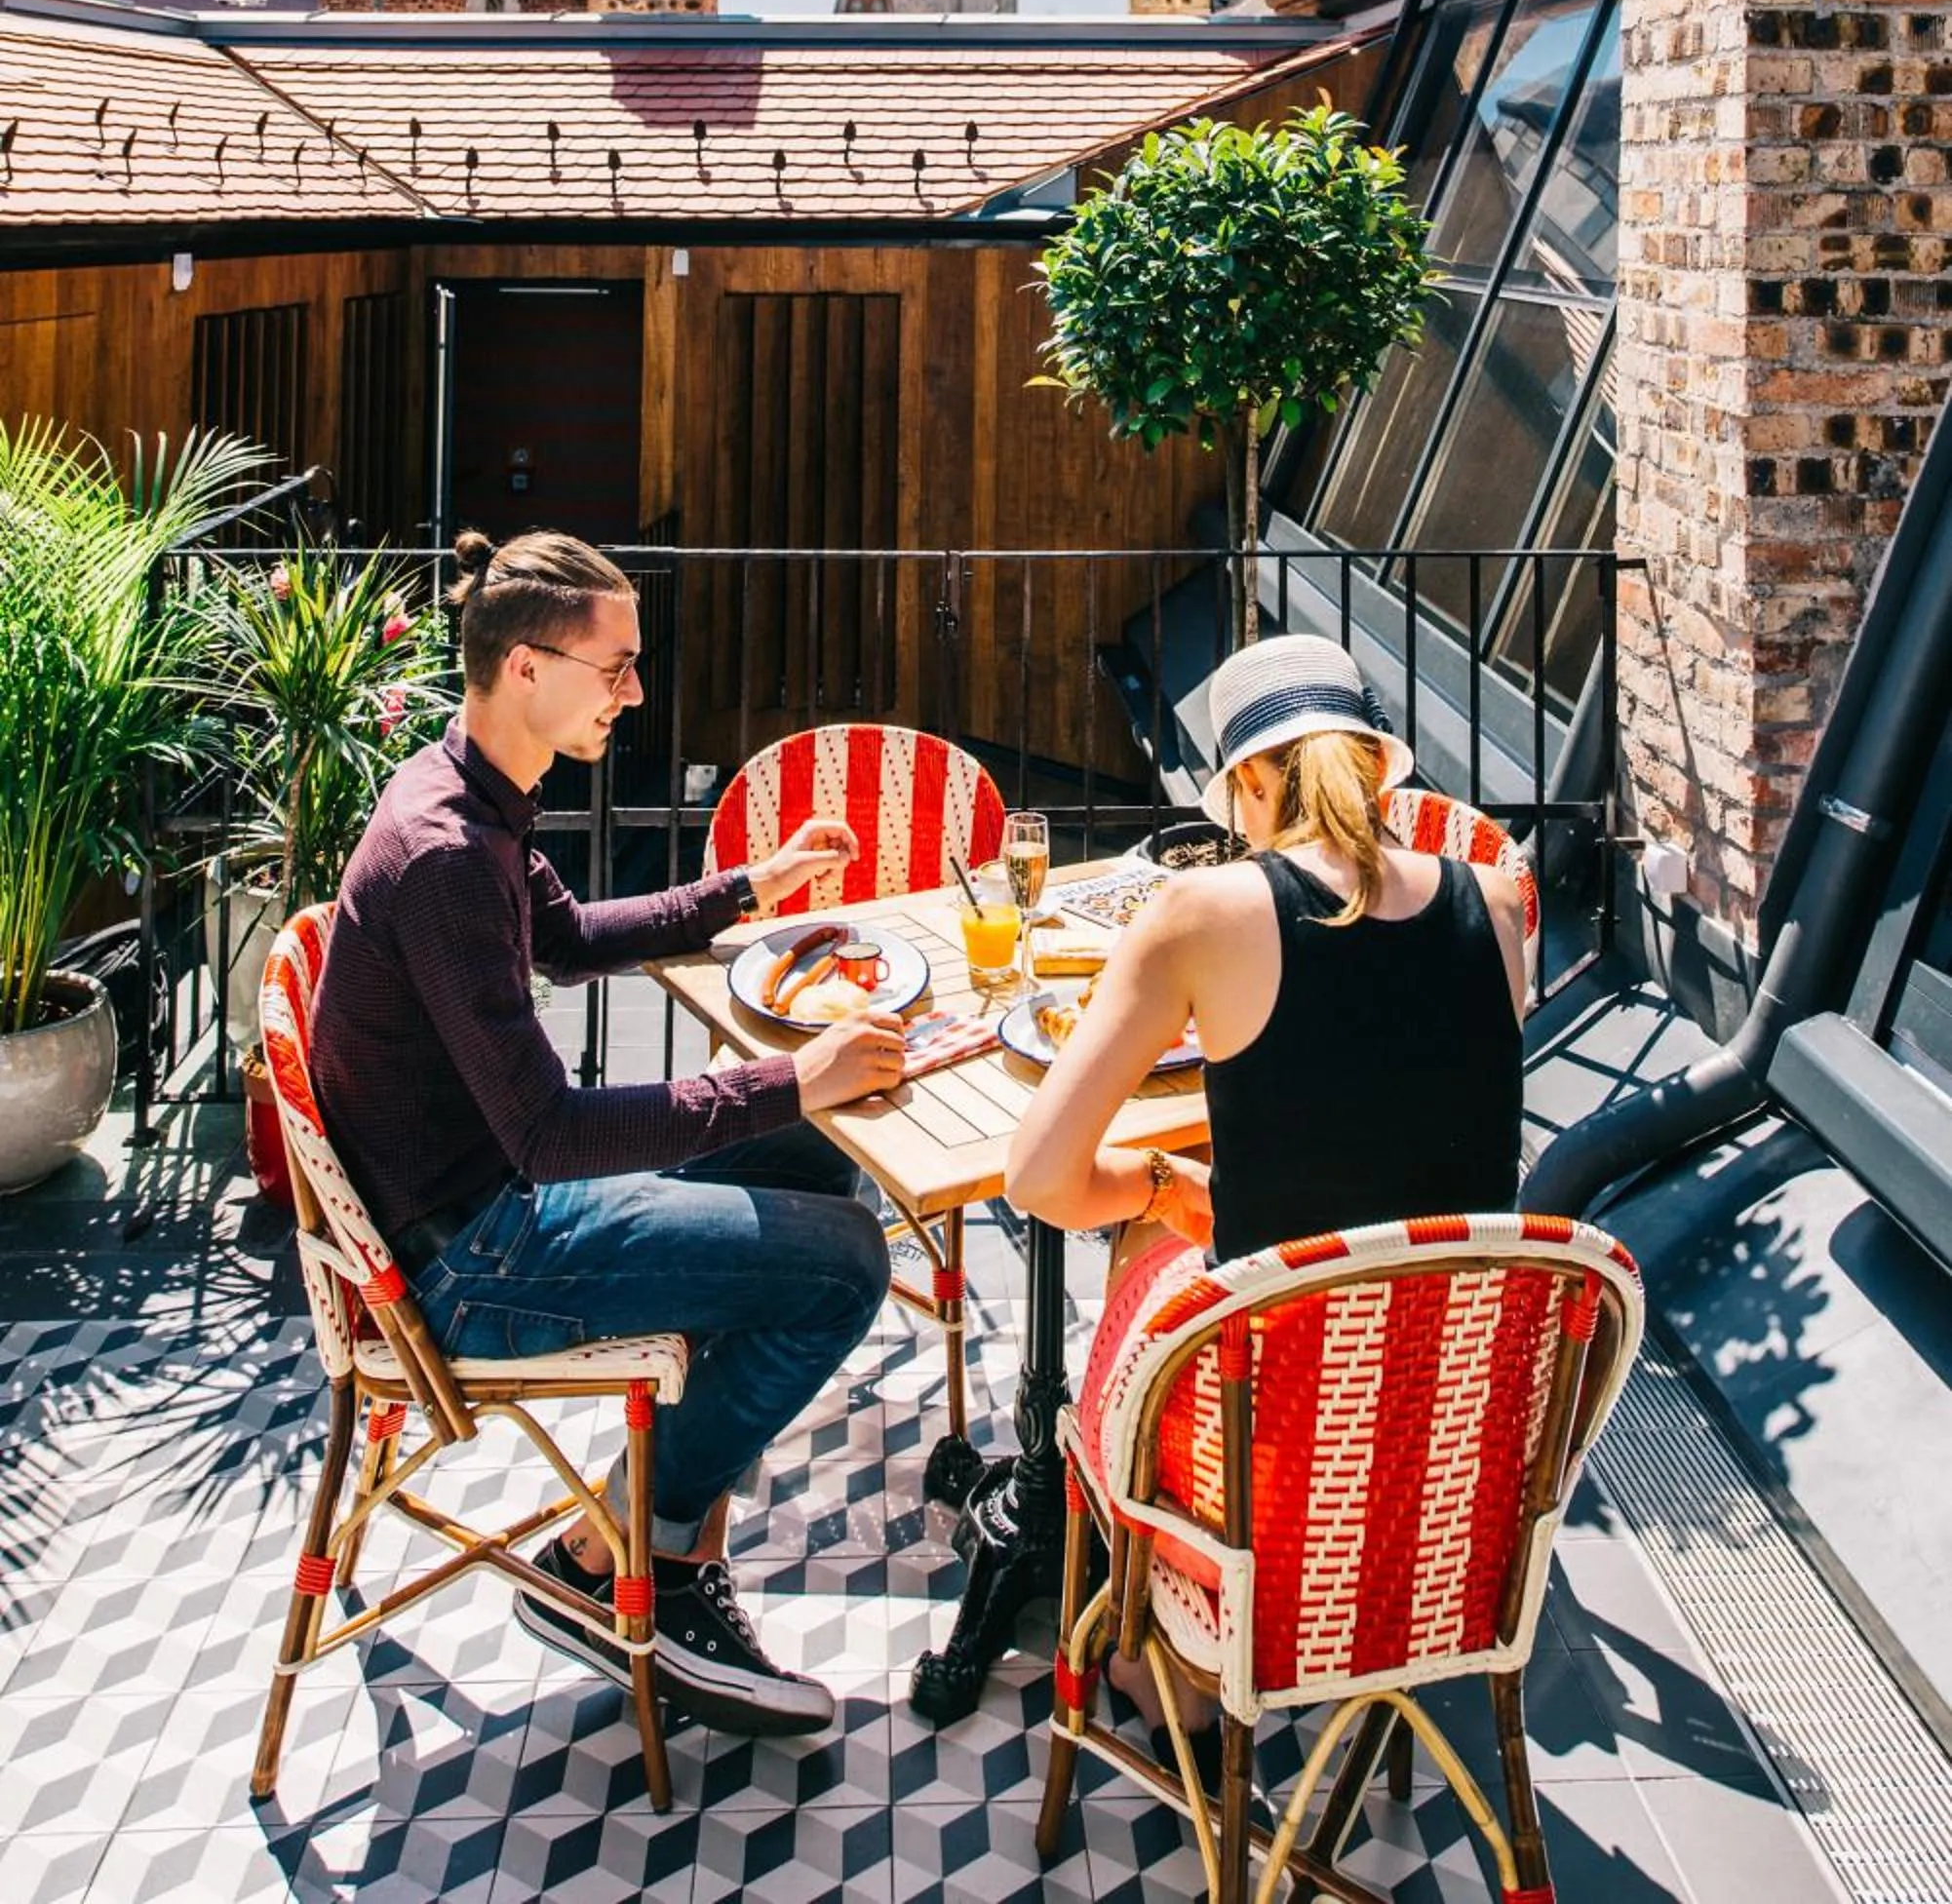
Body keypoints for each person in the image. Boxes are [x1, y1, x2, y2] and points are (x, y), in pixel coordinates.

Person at [312, 528, 906, 1737]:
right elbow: (544, 1134)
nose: (635, 691)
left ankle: (647, 1514)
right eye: (617, 666)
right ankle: (626, 1559)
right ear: (527, 667)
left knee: (821, 1162)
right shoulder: (445, 855)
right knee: (848, 1263)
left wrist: (752, 886)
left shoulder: (467, 791)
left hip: (472, 1202)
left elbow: (573, 940)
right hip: (467, 1258)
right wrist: (794, 1075)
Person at [1006, 632, 1527, 1736]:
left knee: (1145, 1246)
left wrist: (1160, 1184)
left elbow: (1039, 1177)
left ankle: (1177, 1677)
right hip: (1456, 1453)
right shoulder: (1499, 900)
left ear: (1248, 780)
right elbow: (1412, 1106)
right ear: (1379, 767)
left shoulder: (1202, 914)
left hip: (1270, 1455)